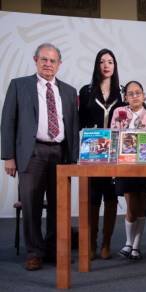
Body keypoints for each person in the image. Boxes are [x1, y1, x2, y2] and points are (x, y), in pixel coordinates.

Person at [1, 43, 79, 271]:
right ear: (35, 60)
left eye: (52, 60)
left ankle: (54, 250)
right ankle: (34, 252)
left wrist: (73, 158)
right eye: (44, 59)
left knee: (59, 205)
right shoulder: (19, 85)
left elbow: (72, 126)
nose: (48, 64)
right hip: (31, 153)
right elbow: (8, 122)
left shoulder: (68, 91)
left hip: (60, 153)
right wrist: (8, 156)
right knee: (31, 205)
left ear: (59, 64)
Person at [78, 48, 124, 260]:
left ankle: (106, 243)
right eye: (102, 61)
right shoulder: (86, 91)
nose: (106, 65)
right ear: (97, 65)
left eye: (110, 62)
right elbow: (79, 122)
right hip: (92, 154)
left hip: (114, 154)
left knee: (112, 198)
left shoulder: (121, 93)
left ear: (115, 67)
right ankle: (91, 244)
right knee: (93, 198)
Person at [110, 81, 146, 260]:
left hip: (144, 165)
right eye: (130, 93)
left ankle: (136, 246)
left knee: (142, 205)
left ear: (144, 95)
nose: (135, 96)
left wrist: (130, 136)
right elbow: (115, 135)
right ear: (125, 97)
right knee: (131, 207)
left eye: (138, 93)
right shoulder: (118, 112)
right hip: (124, 165)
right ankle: (128, 242)